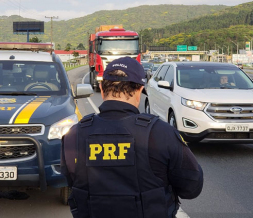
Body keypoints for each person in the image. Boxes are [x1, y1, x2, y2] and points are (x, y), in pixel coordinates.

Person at [61, 56, 203, 218]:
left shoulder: (74, 134)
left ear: (101, 88)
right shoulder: (161, 133)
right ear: (139, 90)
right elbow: (191, 187)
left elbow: (71, 181)